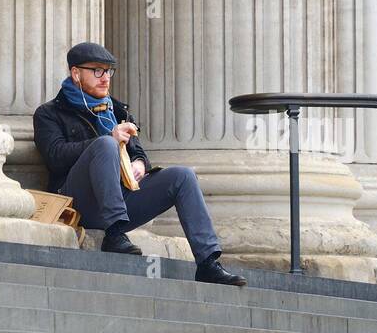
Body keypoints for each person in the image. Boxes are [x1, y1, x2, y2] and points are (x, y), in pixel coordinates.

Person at [33, 41, 246, 286]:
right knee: (105, 145)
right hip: (79, 202)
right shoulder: (49, 113)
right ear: (76, 73)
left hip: (122, 200)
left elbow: (140, 153)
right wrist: (107, 138)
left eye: (109, 71)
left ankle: (208, 263)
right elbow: (55, 156)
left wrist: (140, 164)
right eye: (97, 71)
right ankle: (114, 234)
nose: (105, 78)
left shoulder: (118, 111)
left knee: (183, 176)